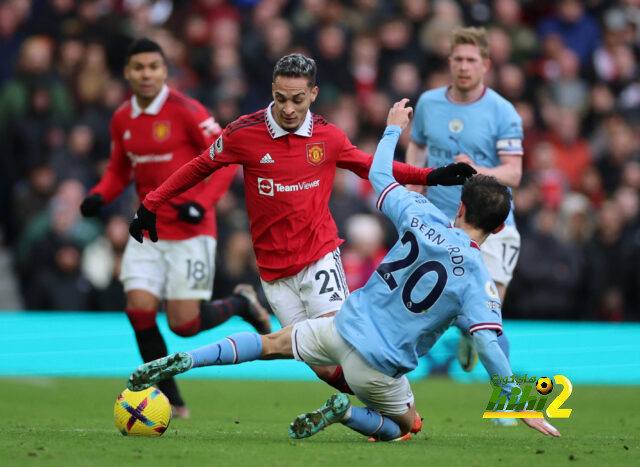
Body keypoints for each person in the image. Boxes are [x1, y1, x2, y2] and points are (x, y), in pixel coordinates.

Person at [126, 100, 560, 441]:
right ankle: (348, 412)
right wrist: (517, 403)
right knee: (409, 426)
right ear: (500, 226)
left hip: (340, 327)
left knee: (271, 342)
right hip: (378, 368)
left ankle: (184, 360)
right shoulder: (479, 280)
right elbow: (486, 341)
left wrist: (393, 128)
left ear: (460, 205)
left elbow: (381, 175)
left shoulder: (420, 213)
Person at [128, 53, 473, 393]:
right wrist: (152, 203)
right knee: (324, 368)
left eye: (297, 99)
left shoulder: (329, 137)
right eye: (280, 99)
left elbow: (373, 167)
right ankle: (388, 406)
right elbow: (200, 165)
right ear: (272, 90)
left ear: (313, 94)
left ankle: (400, 409)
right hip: (273, 270)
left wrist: (432, 175)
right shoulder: (243, 133)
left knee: (340, 342)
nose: (289, 108)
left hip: (318, 256)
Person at [79, 38, 271, 418]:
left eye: (153, 66)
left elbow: (226, 158)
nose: (146, 74)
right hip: (146, 229)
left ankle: (239, 303)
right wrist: (99, 195)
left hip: (190, 231)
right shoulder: (122, 118)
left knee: (184, 326)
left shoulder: (187, 110)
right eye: (139, 67)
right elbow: (120, 169)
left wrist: (202, 203)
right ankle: (171, 399)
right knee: (139, 312)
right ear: (128, 73)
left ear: (165, 71)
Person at [404, 27, 524, 392]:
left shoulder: (502, 111)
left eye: (471, 60)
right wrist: (413, 184)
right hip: (441, 223)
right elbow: (418, 149)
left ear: (485, 64)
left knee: (491, 316)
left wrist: (475, 170)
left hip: (490, 224)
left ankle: (507, 406)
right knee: (428, 310)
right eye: (458, 59)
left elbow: (514, 173)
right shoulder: (428, 103)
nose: (464, 67)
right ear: (450, 62)